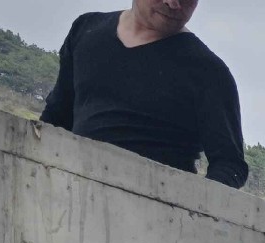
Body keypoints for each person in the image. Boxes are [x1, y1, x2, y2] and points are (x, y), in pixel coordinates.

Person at [40, 2, 247, 189]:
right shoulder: (85, 30)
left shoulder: (208, 72)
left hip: (157, 211)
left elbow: (230, 165)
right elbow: (56, 119)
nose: (174, 4)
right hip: (70, 195)